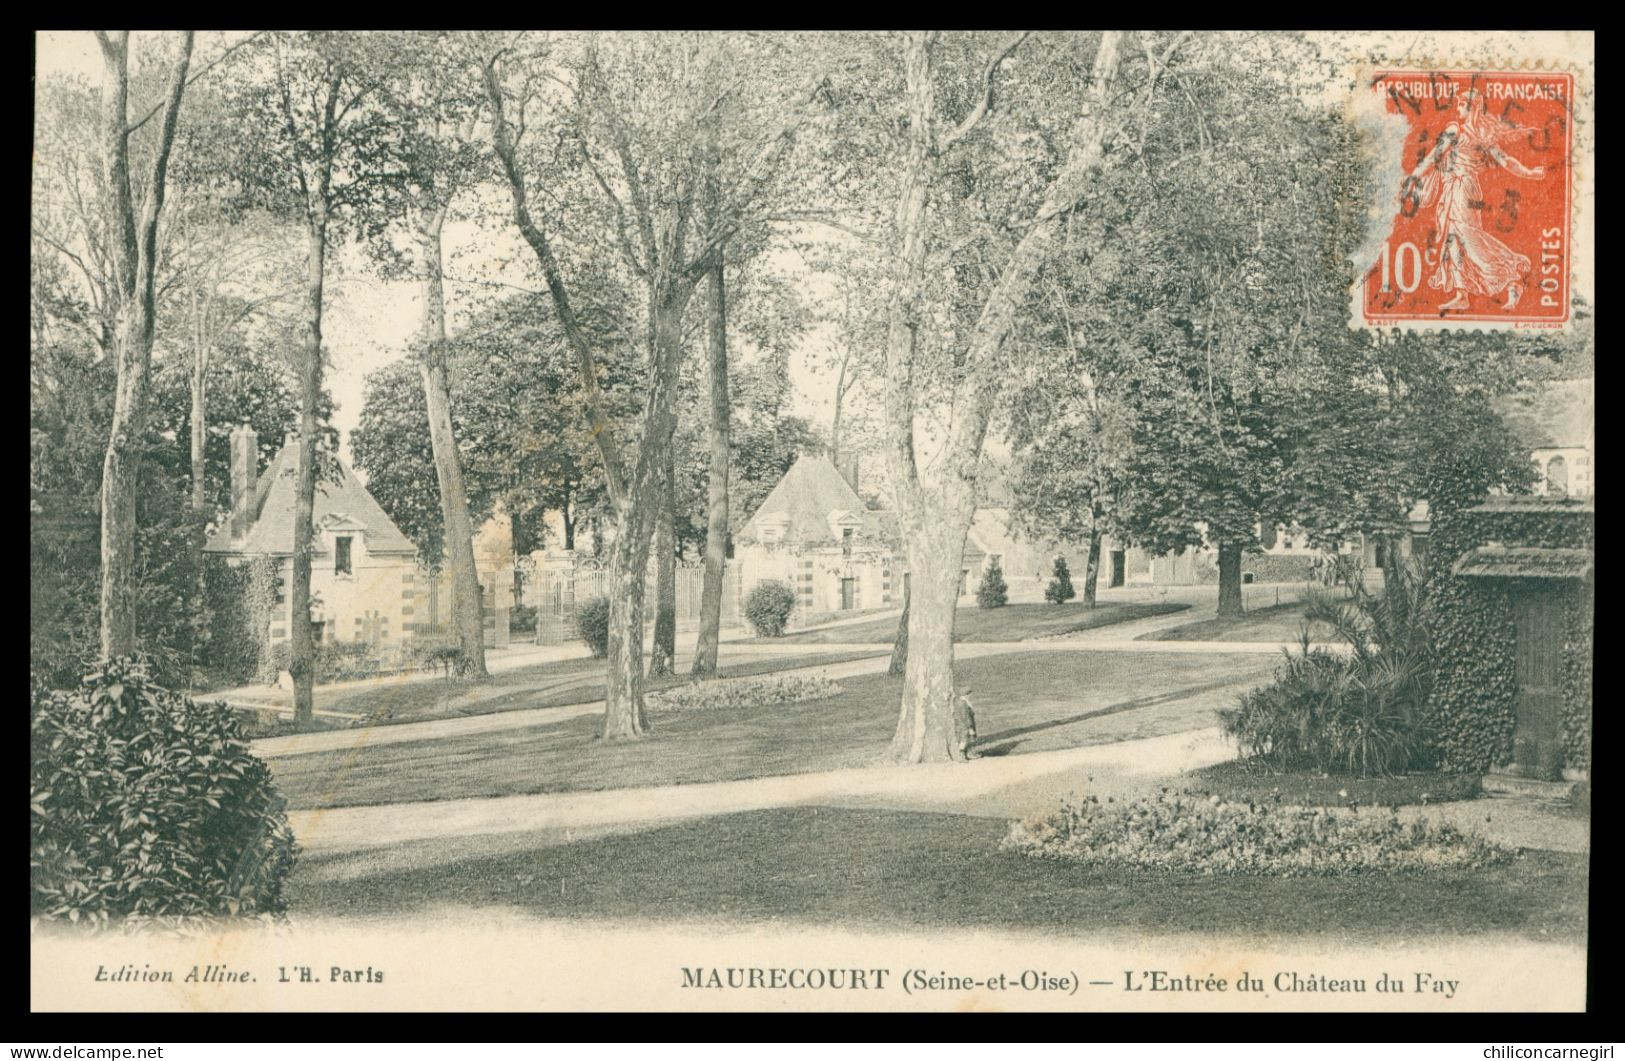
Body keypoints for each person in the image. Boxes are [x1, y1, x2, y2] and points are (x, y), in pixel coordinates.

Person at [1406, 89, 1547, 312]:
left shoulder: (1462, 131)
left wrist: (1412, 178)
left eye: (1461, 106)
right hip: (1458, 189)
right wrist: (1528, 173)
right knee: (1453, 240)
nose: (1458, 110)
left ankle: (1512, 273)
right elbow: (1505, 161)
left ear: (1471, 107)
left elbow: (1434, 157)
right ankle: (1463, 294)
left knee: (1467, 238)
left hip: (1462, 189)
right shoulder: (1479, 135)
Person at [955, 686, 980, 760]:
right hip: (965, 725)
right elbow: (966, 716)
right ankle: (961, 755)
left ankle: (967, 754)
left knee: (967, 739)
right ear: (966, 694)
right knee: (964, 740)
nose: (970, 696)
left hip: (963, 724)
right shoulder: (963, 703)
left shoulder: (961, 702)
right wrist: (970, 727)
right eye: (969, 694)